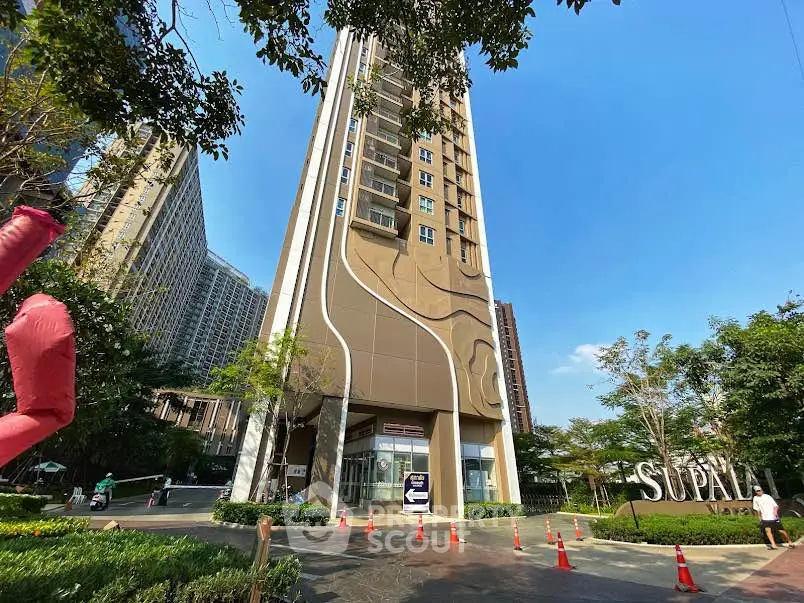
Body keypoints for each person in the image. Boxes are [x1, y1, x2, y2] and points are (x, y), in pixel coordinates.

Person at [752, 485, 795, 550]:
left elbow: (775, 506)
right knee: (767, 531)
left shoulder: (768, 496)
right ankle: (773, 545)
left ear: (762, 490)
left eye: (760, 490)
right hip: (765, 518)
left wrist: (775, 512)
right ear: (755, 492)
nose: (759, 492)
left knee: (781, 530)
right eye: (757, 491)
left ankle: (790, 542)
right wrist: (759, 518)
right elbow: (757, 509)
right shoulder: (755, 498)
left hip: (773, 517)